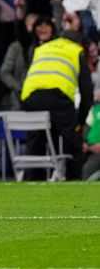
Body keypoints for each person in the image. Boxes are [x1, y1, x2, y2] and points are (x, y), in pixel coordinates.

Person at [20, 31, 94, 180]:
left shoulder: (42, 48)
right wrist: (79, 121)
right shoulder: (76, 50)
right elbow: (87, 92)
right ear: (80, 44)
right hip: (57, 96)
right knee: (72, 140)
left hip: (31, 96)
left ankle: (34, 183)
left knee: (36, 140)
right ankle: (73, 182)